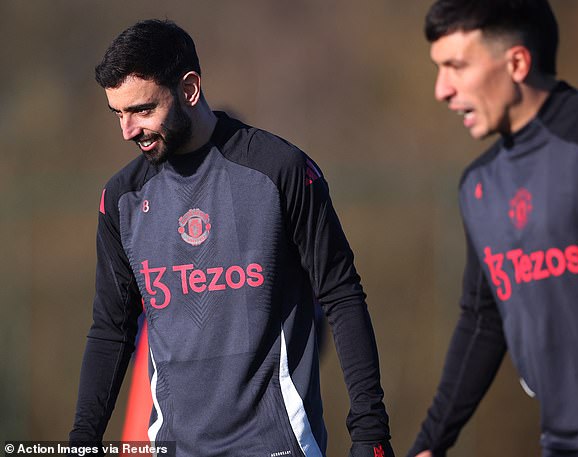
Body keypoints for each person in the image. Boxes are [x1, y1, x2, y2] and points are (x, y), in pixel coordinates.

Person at [69, 19, 394, 457]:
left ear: (189, 89)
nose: (128, 130)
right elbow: (111, 329)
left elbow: (342, 294)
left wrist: (370, 434)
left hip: (277, 445)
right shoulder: (121, 199)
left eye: (142, 110)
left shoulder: (281, 170)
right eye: (118, 114)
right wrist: (81, 443)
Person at [407, 1, 578, 457]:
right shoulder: (478, 184)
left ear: (516, 63)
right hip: (560, 442)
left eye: (455, 66)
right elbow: (481, 321)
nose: (441, 90)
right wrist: (431, 443)